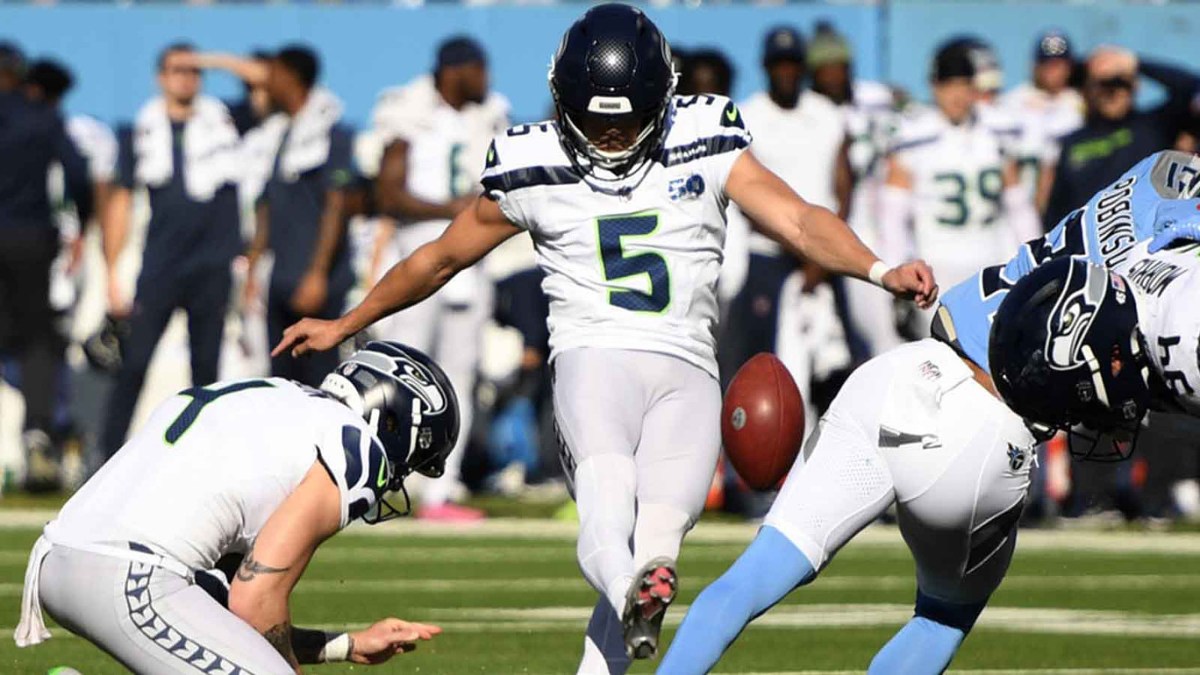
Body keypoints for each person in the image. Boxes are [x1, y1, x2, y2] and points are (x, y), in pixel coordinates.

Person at [272, 5, 936, 673]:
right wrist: (348, 321)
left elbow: (796, 218)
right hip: (595, 358)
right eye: (595, 121)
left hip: (687, 367)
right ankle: (628, 593)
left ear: (662, 96)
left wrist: (879, 268)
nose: (611, 137)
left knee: (659, 538)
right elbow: (441, 258)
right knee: (609, 508)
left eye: (626, 119)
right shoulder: (536, 161)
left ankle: (632, 594)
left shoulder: (704, 135)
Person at [658, 149, 1200, 675]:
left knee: (749, 580)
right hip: (986, 433)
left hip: (902, 373)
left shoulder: (1157, 178)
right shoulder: (1182, 305)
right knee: (940, 619)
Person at [14, 341, 447, 671]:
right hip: (130, 576)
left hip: (59, 559)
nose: (398, 475)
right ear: (394, 421)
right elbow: (255, 599)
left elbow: (225, 619)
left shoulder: (273, 399)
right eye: (412, 460)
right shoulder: (355, 449)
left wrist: (344, 645)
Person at [363, 35, 510, 521]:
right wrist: (451, 210)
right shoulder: (408, 110)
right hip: (419, 257)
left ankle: (440, 491)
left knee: (459, 376)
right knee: (399, 372)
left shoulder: (490, 115)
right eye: (479, 68)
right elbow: (389, 193)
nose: (486, 79)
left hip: (472, 262)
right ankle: (377, 478)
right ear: (455, 70)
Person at [100, 43, 243, 463]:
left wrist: (211, 59)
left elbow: (264, 78)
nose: (187, 77)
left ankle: (205, 461)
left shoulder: (225, 121)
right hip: (161, 266)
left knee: (206, 372)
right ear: (160, 77)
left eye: (193, 70)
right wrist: (112, 272)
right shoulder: (140, 130)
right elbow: (121, 201)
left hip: (212, 266)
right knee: (133, 365)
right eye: (177, 70)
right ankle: (106, 460)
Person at [721, 26, 853, 419]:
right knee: (762, 365)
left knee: (839, 368)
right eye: (779, 64)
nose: (787, 72)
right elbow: (745, 198)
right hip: (771, 257)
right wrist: (802, 246)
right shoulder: (748, 115)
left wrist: (825, 250)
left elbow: (844, 185)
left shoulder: (826, 114)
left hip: (826, 258)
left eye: (793, 63)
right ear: (765, 67)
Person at [880, 37, 1041, 338]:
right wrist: (897, 266)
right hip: (935, 266)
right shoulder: (914, 136)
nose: (956, 95)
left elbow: (1018, 205)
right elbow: (893, 214)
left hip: (992, 262)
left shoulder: (997, 131)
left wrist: (1034, 260)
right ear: (935, 87)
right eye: (948, 86)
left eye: (964, 85)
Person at [0, 48, 93, 491]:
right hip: (29, 240)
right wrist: (83, 221)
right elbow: (77, 172)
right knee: (36, 341)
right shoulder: (41, 117)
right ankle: (42, 428)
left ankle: (45, 425)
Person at [248, 45, 358, 388]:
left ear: (293, 78)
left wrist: (317, 274)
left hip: (316, 284)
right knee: (280, 384)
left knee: (319, 384)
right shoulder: (280, 133)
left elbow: (336, 206)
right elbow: (267, 204)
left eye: (274, 74)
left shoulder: (333, 135)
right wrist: (254, 263)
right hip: (280, 279)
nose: (268, 82)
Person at [807, 21, 904, 358]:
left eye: (839, 67)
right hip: (822, 221)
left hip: (870, 224)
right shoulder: (809, 112)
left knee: (875, 330)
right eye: (825, 69)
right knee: (821, 341)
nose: (834, 76)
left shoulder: (876, 99)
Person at [1043, 47, 1200, 229]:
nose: (1112, 91)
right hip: (1091, 240)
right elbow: (1055, 213)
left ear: (1135, 86)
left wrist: (1134, 62)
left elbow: (1192, 88)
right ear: (1088, 88)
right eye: (1103, 84)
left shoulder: (1154, 125)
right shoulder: (1072, 143)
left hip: (1147, 236)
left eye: (1120, 83)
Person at [998, 29, 1083, 212]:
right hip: (1020, 203)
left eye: (1059, 65)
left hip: (1069, 203)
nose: (1054, 71)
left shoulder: (1082, 103)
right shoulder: (1012, 102)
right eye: (1047, 64)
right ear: (1035, 66)